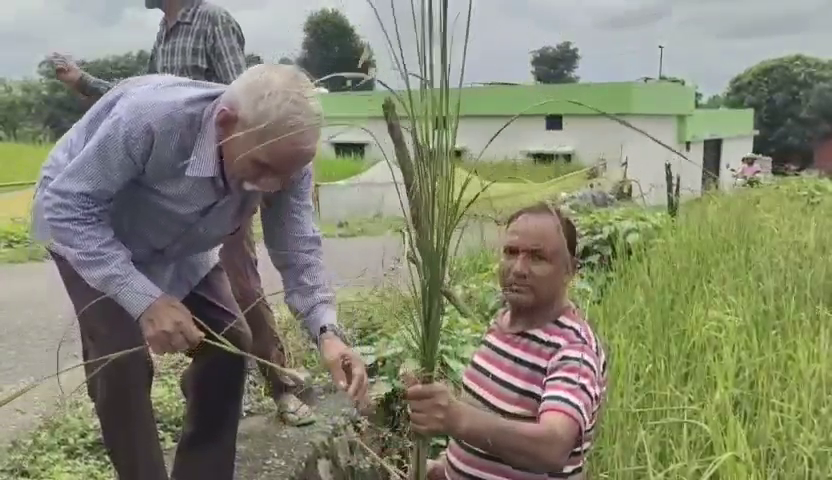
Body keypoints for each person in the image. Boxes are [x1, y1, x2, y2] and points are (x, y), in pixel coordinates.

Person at [30, 64, 368, 480]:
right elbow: (68, 207)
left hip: (178, 236)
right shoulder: (153, 119)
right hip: (92, 225)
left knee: (229, 343)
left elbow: (297, 245)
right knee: (123, 360)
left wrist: (327, 333)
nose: (274, 187)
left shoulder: (284, 158)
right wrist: (145, 299)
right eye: (263, 167)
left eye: (288, 174)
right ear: (226, 123)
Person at [47, 0, 315, 426]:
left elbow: (249, 98)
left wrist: (327, 331)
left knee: (238, 310)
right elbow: (137, 96)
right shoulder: (163, 40)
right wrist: (83, 82)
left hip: (228, 178)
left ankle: (280, 383)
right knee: (121, 356)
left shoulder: (212, 22)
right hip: (127, 207)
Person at [403, 203, 608, 480]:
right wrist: (445, 467)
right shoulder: (501, 325)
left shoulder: (573, 349)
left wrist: (456, 417)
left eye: (537, 257)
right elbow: (486, 418)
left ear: (569, 270)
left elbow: (552, 447)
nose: (519, 269)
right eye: (511, 253)